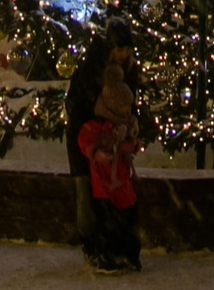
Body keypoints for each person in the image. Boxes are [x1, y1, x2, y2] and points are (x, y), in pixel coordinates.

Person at [65, 25, 135, 256]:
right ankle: (93, 248)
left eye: (127, 49)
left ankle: (109, 250)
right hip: (87, 141)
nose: (124, 54)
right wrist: (95, 135)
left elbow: (128, 105)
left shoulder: (124, 72)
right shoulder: (91, 72)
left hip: (109, 148)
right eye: (121, 49)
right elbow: (77, 111)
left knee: (110, 200)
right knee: (86, 197)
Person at [76, 54, 142, 272]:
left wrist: (129, 146)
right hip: (104, 185)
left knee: (126, 219)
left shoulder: (123, 128)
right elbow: (86, 142)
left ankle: (127, 254)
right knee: (108, 222)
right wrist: (97, 153)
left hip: (121, 182)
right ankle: (108, 256)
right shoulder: (97, 127)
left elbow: (126, 146)